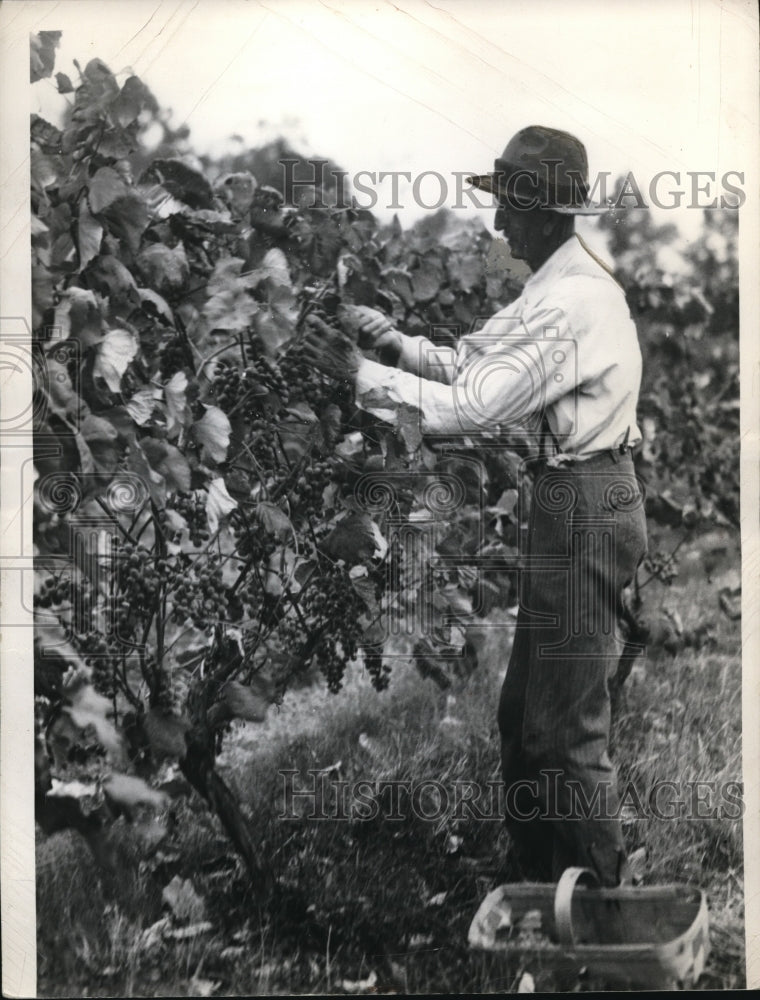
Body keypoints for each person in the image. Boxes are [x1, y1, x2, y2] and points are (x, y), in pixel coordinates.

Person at [302, 126, 648, 888]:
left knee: (564, 733)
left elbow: (477, 408)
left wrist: (360, 378)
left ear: (547, 211)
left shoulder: (575, 302)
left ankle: (610, 907)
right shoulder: (554, 285)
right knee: (523, 718)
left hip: (590, 504)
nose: (497, 226)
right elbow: (472, 361)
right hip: (568, 499)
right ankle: (534, 888)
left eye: (509, 210)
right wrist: (394, 343)